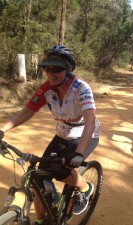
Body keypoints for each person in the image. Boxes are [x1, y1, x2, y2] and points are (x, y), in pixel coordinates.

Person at [0, 45, 100, 225]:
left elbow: (90, 121)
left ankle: (85, 189)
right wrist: (2, 130)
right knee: (38, 176)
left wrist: (78, 153)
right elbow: (26, 111)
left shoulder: (81, 88)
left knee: (61, 171)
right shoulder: (46, 88)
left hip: (86, 134)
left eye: (57, 69)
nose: (51, 73)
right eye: (47, 68)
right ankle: (41, 220)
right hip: (63, 134)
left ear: (68, 69)